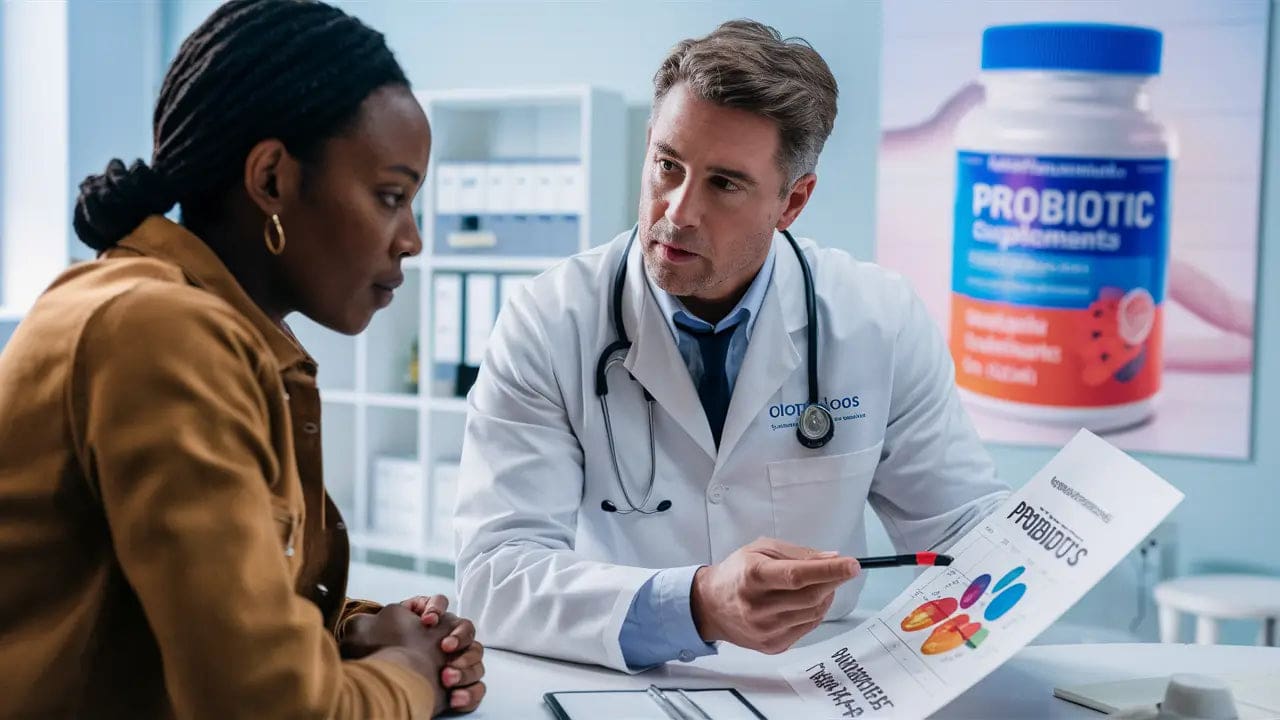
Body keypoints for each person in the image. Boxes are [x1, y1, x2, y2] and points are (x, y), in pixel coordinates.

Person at [454, 20, 1010, 672]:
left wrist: (1067, 537)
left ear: (792, 202)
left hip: (820, 680)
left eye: (724, 184)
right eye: (667, 165)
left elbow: (967, 535)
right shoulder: (550, 320)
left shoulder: (878, 321)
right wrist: (696, 604)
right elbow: (492, 576)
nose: (677, 211)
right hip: (617, 675)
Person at [0, 1, 484, 716]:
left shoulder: (204, 323)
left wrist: (359, 630)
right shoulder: (159, 331)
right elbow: (269, 706)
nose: (410, 238)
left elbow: (217, 597)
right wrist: (413, 675)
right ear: (270, 180)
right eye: (390, 196)